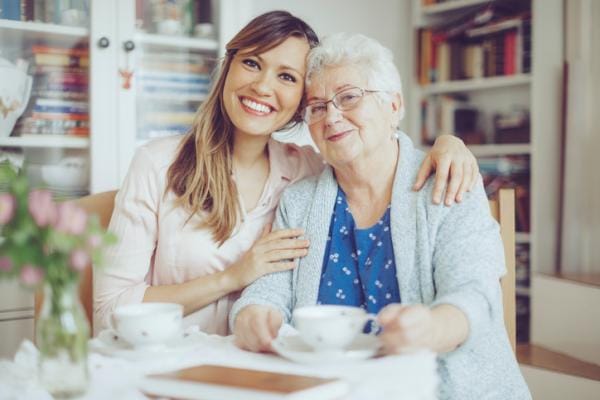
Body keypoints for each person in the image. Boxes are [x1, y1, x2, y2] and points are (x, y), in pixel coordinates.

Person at [94, 11, 479, 336]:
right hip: (171, 362)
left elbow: (371, 145)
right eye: (252, 63)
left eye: (287, 77)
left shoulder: (309, 172)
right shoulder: (157, 164)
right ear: (228, 67)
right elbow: (109, 309)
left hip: (265, 372)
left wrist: (449, 143)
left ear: (301, 103)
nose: (262, 86)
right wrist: (232, 277)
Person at [230, 33, 530, 399]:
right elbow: (268, 289)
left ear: (394, 105)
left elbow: (475, 294)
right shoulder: (300, 200)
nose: (332, 117)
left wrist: (431, 329)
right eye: (318, 106)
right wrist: (252, 316)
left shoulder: (448, 180)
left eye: (349, 97)